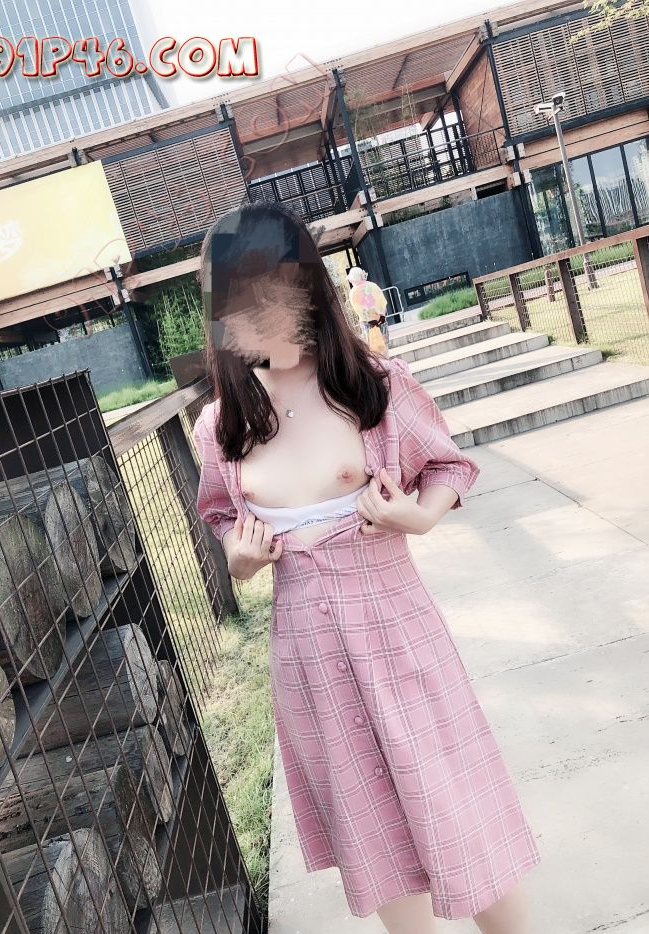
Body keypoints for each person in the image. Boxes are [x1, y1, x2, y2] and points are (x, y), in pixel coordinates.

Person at [192, 201, 541, 933]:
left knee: (455, 809)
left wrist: (418, 516)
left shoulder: (374, 386)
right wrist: (241, 560)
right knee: (372, 827)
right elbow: (222, 518)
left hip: (398, 633)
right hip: (308, 655)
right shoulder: (220, 426)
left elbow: (447, 465)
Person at [347, 265, 388, 355]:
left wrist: (368, 318)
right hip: (380, 319)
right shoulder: (373, 286)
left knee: (373, 349)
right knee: (384, 346)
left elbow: (358, 309)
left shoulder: (353, 293)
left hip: (367, 323)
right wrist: (382, 315)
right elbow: (382, 302)